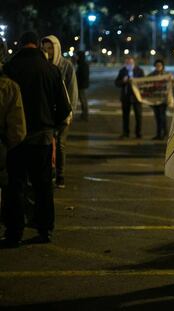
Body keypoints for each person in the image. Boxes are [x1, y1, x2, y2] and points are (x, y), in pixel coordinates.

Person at [2, 31, 71, 245]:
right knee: (43, 187)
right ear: (37, 46)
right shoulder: (51, 70)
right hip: (42, 137)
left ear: (21, 45)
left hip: (14, 139)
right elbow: (64, 109)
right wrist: (53, 128)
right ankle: (45, 230)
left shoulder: (10, 69)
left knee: (15, 186)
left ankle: (14, 232)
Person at [41, 35, 78, 189]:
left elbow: (72, 90)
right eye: (44, 49)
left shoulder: (66, 66)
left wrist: (70, 112)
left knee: (61, 144)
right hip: (47, 113)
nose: (47, 52)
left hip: (63, 111)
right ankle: (49, 173)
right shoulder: (42, 65)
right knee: (48, 144)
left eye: (50, 48)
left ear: (56, 48)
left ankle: (60, 175)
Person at [0, 41, 27, 248]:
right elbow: (18, 129)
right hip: (3, 150)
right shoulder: (9, 86)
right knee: (11, 190)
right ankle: (13, 232)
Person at [115, 56, 144, 139]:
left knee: (138, 116)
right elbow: (116, 83)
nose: (129, 64)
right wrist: (122, 81)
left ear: (134, 62)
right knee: (125, 116)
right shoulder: (122, 71)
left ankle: (138, 133)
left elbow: (144, 82)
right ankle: (125, 132)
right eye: (127, 63)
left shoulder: (139, 70)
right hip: (126, 97)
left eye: (130, 63)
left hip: (137, 98)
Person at [147, 59, 174, 140]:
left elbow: (173, 85)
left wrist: (172, 81)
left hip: (163, 99)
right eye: (157, 65)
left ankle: (163, 133)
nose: (158, 67)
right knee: (157, 117)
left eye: (160, 65)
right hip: (154, 100)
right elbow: (145, 84)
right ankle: (160, 133)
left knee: (162, 116)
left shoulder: (167, 75)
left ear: (162, 66)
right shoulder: (151, 75)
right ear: (155, 66)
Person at [76, 51, 90, 121]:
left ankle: (85, 115)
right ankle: (84, 114)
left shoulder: (82, 65)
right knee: (83, 100)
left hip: (81, 85)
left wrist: (78, 82)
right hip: (82, 85)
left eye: (77, 56)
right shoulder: (83, 64)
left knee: (83, 100)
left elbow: (82, 76)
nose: (76, 57)